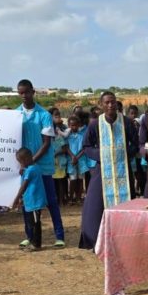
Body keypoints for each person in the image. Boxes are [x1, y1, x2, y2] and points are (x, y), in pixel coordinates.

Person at [78, 92, 138, 250]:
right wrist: (99, 155)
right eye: (107, 103)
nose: (110, 105)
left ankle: (126, 239)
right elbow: (86, 146)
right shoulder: (95, 124)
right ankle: (96, 240)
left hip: (123, 170)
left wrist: (125, 153)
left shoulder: (126, 122)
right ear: (101, 105)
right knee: (95, 205)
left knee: (127, 204)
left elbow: (136, 144)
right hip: (102, 170)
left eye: (113, 102)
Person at [17, 79, 66, 248]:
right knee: (27, 201)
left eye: (27, 92)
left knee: (51, 201)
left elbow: (46, 143)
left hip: (42, 166)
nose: (24, 96)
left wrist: (31, 162)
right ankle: (29, 235)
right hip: (25, 167)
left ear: (33, 92)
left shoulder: (44, 115)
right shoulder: (16, 115)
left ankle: (59, 236)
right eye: (21, 93)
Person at [13, 148, 47, 251]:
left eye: (21, 162)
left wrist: (16, 199)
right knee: (32, 223)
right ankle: (33, 242)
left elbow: (24, 186)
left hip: (35, 202)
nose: (21, 165)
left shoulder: (31, 170)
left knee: (35, 223)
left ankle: (36, 244)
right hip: (31, 201)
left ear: (27, 159)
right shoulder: (34, 168)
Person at [66, 114, 89, 205]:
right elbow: (66, 147)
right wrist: (73, 157)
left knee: (80, 179)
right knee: (72, 180)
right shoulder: (67, 136)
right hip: (71, 160)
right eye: (72, 125)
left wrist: (77, 157)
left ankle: (79, 197)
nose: (74, 127)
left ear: (79, 125)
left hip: (81, 160)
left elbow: (84, 148)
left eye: (75, 125)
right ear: (69, 125)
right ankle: (71, 197)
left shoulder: (82, 136)